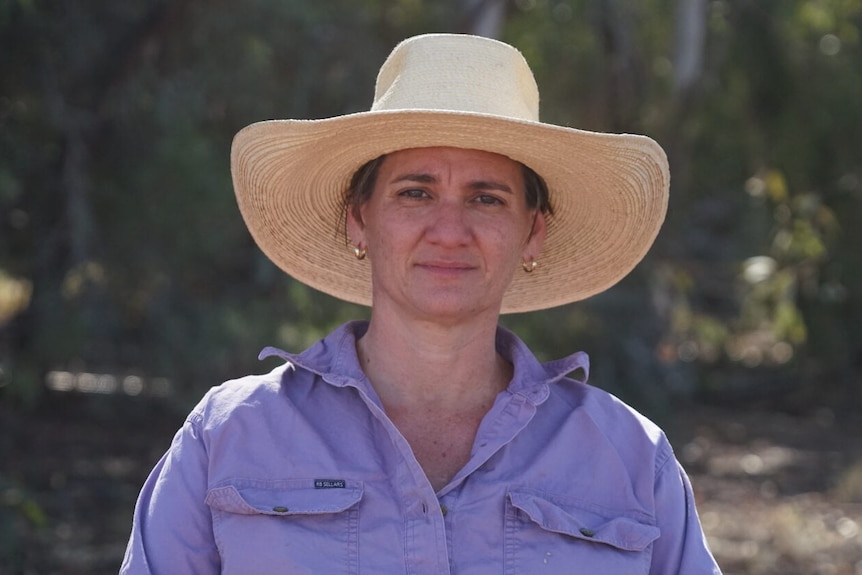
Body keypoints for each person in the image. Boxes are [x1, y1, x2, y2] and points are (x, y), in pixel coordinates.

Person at [120, 33, 721, 574]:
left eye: (486, 199)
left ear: (532, 232)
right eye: (415, 192)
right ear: (360, 219)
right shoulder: (229, 436)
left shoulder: (630, 459)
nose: (449, 230)